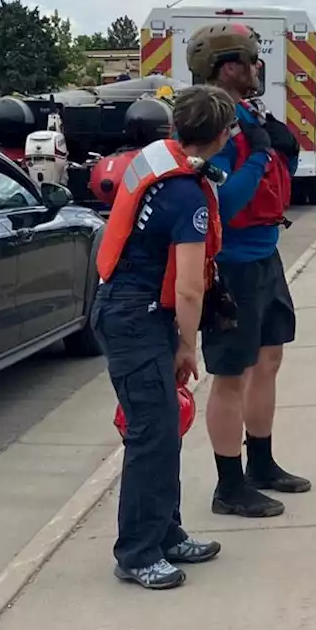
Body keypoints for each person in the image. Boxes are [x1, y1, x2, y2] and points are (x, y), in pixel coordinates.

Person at [93, 85, 235, 589]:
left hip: (124, 305)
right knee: (152, 434)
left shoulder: (160, 163)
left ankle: (166, 532)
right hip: (138, 318)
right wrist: (186, 344)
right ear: (220, 136)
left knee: (163, 425)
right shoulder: (185, 196)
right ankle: (136, 551)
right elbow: (191, 286)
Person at [187, 23, 311, 520]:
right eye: (251, 60)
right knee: (232, 374)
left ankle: (262, 463)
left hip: (265, 254)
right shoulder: (213, 123)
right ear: (228, 66)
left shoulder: (249, 115)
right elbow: (223, 203)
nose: (259, 67)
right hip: (232, 264)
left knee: (269, 360)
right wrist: (260, 155)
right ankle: (229, 485)